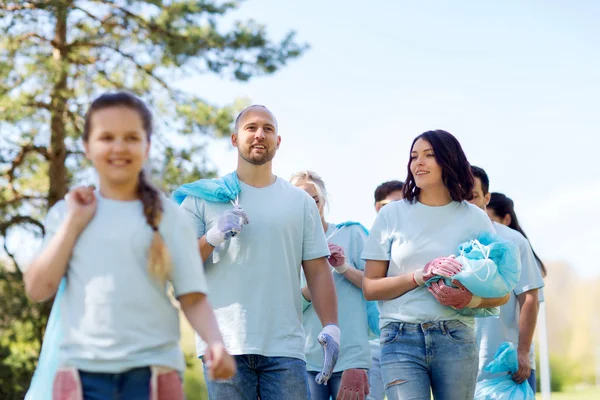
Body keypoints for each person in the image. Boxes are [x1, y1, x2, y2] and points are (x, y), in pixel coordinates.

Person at [24, 92, 235, 399]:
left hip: (154, 374)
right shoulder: (67, 213)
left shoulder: (170, 217)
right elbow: (37, 288)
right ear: (87, 146)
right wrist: (73, 224)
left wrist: (216, 343)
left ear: (147, 146)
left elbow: (192, 296)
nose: (119, 147)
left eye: (131, 137)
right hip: (81, 376)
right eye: (106, 137)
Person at [179, 105, 340, 400]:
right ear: (234, 138)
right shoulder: (203, 197)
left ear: (278, 141)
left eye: (268, 129)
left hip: (286, 348)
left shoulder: (300, 202)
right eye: (251, 128)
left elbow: (317, 269)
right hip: (224, 344)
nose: (259, 134)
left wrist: (332, 325)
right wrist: (213, 236)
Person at [362, 130, 511, 400]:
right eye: (413, 156)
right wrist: (420, 275)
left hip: (456, 337)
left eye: (429, 155)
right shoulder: (390, 215)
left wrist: (468, 298)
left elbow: (502, 292)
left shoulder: (475, 219)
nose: (418, 162)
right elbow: (370, 287)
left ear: (449, 161)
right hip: (399, 338)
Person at [291, 170, 371, 400]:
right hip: (304, 358)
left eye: (313, 200)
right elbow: (285, 306)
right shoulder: (287, 245)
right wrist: (318, 276)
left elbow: (376, 288)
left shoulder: (351, 233)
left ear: (324, 200)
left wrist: (343, 267)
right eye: (299, 201)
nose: (308, 207)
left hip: (350, 358)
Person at [479, 187, 546, 392]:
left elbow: (530, 301)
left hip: (510, 365)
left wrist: (523, 351)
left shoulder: (515, 244)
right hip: (474, 363)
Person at [367, 180, 405, 400]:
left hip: (405, 339)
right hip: (370, 342)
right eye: (393, 204)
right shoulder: (363, 238)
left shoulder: (410, 246)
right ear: (379, 208)